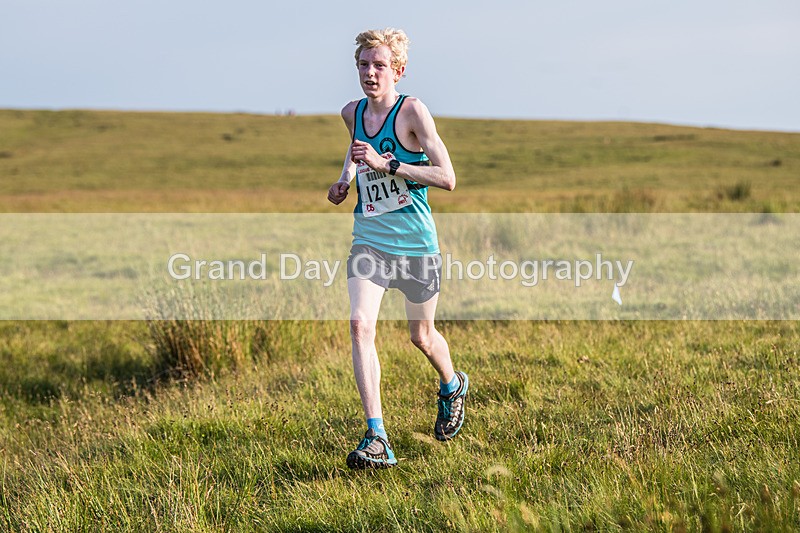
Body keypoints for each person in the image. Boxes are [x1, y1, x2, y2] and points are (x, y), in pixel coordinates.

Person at [327, 28, 468, 469]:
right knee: (358, 325)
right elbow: (356, 152)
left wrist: (391, 164)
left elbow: (447, 177)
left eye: (379, 65)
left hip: (415, 242)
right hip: (370, 237)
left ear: (398, 71)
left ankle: (452, 384)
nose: (370, 73)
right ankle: (377, 438)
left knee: (421, 336)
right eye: (364, 65)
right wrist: (344, 181)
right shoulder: (351, 112)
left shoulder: (413, 112)